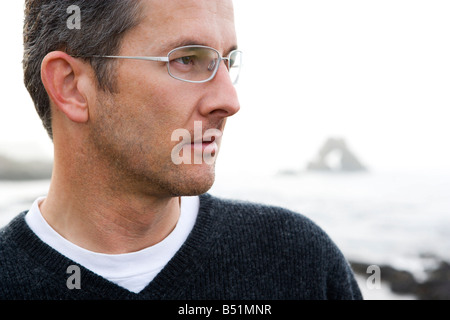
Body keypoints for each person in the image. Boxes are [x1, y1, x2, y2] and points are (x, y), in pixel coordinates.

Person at [0, 0, 362, 300]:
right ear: (72, 87)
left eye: (227, 61)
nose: (229, 101)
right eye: (186, 60)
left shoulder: (300, 263)